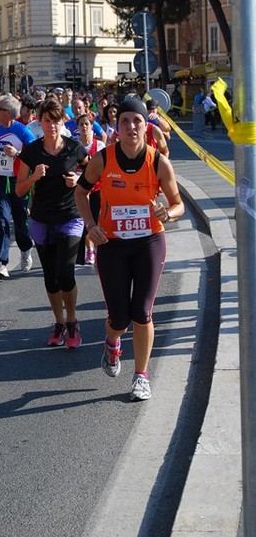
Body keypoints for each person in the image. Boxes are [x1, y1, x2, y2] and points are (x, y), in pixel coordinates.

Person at [75, 98, 184, 401]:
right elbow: (81, 192)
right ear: (117, 127)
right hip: (112, 244)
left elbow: (178, 204)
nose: (131, 127)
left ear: (144, 126)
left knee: (143, 312)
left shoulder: (158, 161)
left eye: (136, 121)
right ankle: (112, 342)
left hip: (150, 241)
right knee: (119, 318)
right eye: (124, 121)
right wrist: (90, 225)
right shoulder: (103, 159)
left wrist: (168, 213)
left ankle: (141, 376)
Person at [16, 98, 89, 348]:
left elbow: (92, 177)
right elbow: (18, 190)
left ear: (63, 121)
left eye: (56, 120)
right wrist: (34, 177)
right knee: (50, 277)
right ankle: (58, 323)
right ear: (40, 122)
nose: (51, 125)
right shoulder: (32, 151)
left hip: (70, 217)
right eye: (46, 121)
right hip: (41, 219)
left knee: (65, 273)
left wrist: (78, 180)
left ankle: (72, 321)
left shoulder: (75, 148)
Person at [0, 94, 36, 279]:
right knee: (1, 220)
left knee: (20, 221)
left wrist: (17, 153)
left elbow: (34, 155)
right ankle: (1, 263)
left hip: (18, 181)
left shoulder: (23, 131)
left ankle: (25, 248)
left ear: (8, 113)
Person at [75, 114, 105, 265]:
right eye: (81, 124)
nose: (84, 127)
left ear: (92, 126)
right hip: (79, 189)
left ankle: (92, 249)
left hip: (96, 189)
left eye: (87, 124)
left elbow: (103, 169)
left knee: (93, 220)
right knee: (81, 221)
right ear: (78, 127)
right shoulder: (74, 146)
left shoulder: (99, 146)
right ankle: (86, 250)